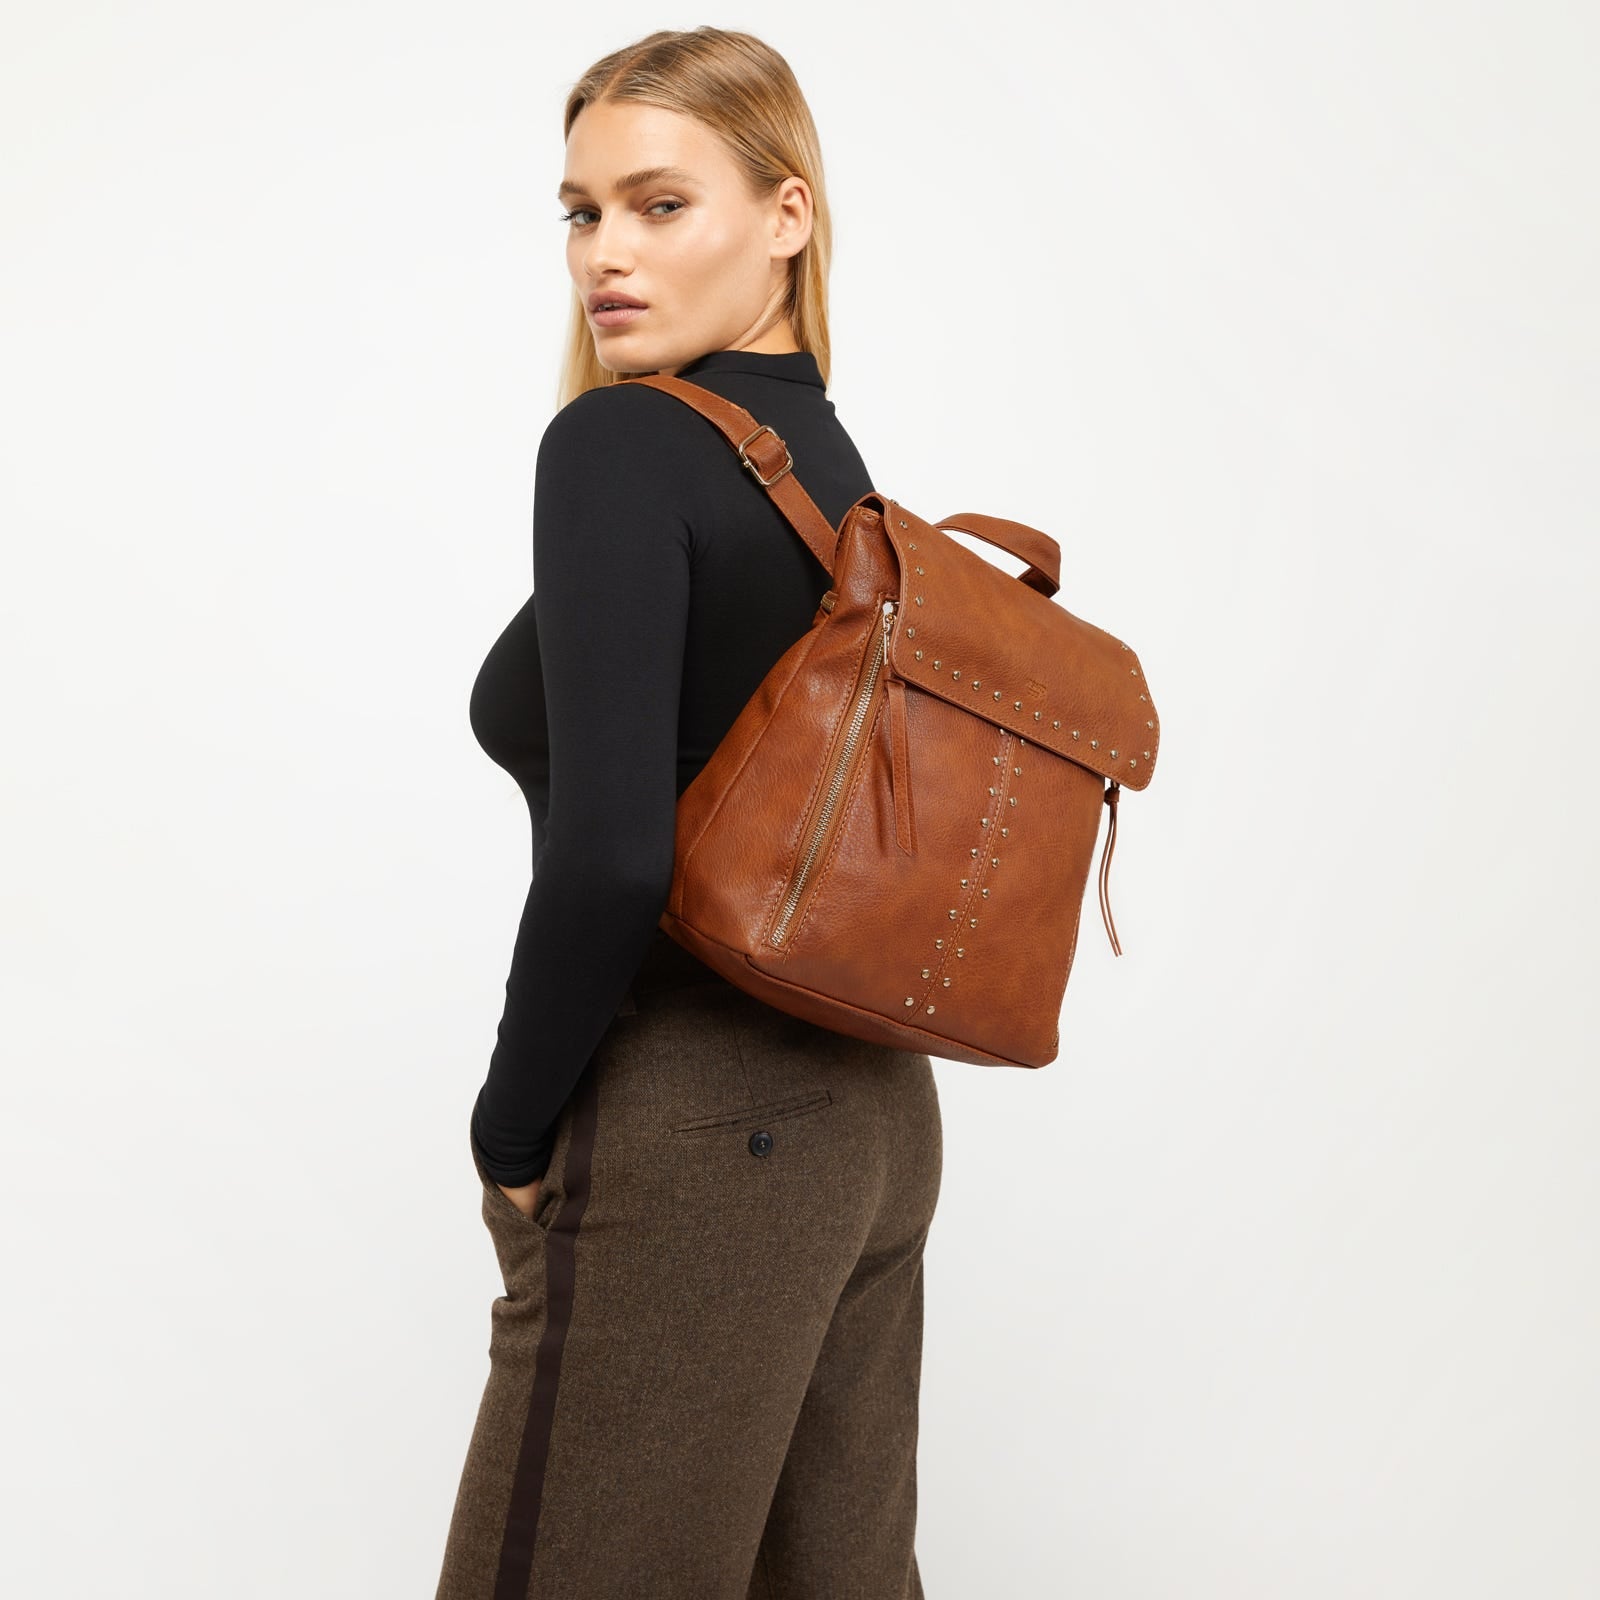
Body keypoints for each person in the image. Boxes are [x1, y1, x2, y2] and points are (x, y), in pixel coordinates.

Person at [433, 27, 942, 1600]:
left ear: (788, 214)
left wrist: (511, 1134)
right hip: (872, 1118)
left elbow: (611, 856)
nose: (607, 254)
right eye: (582, 212)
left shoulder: (624, 443)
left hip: (703, 1123)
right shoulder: (823, 464)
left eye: (660, 205)